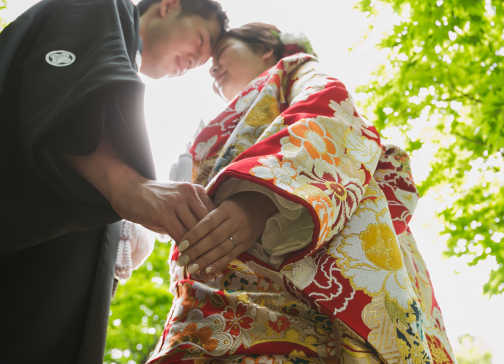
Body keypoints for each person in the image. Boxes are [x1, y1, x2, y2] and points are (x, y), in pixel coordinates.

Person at [0, 0, 226, 363]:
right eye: (199, 41)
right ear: (169, 6)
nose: (192, 62)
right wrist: (129, 186)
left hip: (41, 305)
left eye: (200, 65)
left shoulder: (122, 92)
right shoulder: (105, 6)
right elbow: (49, 92)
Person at [148, 23, 456, 364]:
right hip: (218, 283)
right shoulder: (220, 120)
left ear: (266, 47)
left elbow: (329, 111)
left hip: (301, 259)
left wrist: (260, 199)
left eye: (221, 54)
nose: (214, 68)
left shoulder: (296, 72)